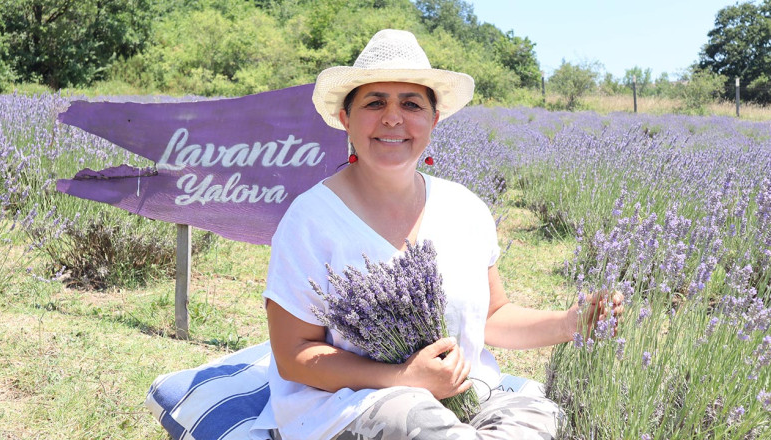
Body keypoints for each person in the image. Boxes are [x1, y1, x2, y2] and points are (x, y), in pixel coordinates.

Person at [251, 29, 624, 439]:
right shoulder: (311, 219)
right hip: (353, 402)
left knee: (539, 418)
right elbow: (294, 355)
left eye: (411, 104)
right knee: (422, 424)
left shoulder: (463, 207)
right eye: (375, 102)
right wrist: (403, 376)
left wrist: (570, 322)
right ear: (346, 119)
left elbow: (492, 316)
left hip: (469, 396)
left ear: (434, 119)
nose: (393, 117)